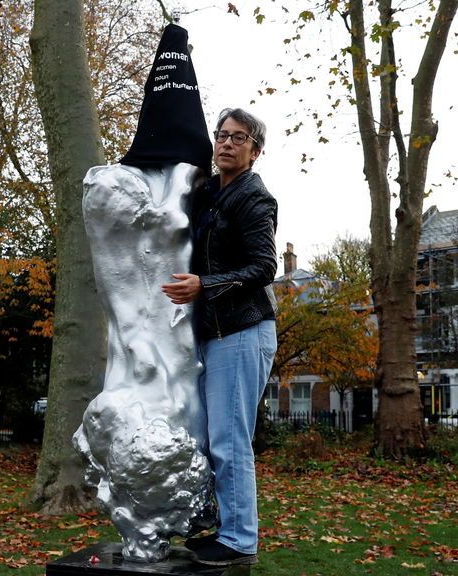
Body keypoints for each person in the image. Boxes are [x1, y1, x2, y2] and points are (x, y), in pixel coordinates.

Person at [161, 107, 278, 566]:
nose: (227, 143)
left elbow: (265, 266)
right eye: (222, 135)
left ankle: (239, 540)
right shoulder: (211, 192)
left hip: (244, 329)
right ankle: (220, 525)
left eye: (239, 138)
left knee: (230, 440)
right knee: (211, 439)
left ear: (255, 151)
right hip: (214, 332)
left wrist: (203, 286)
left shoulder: (254, 198)